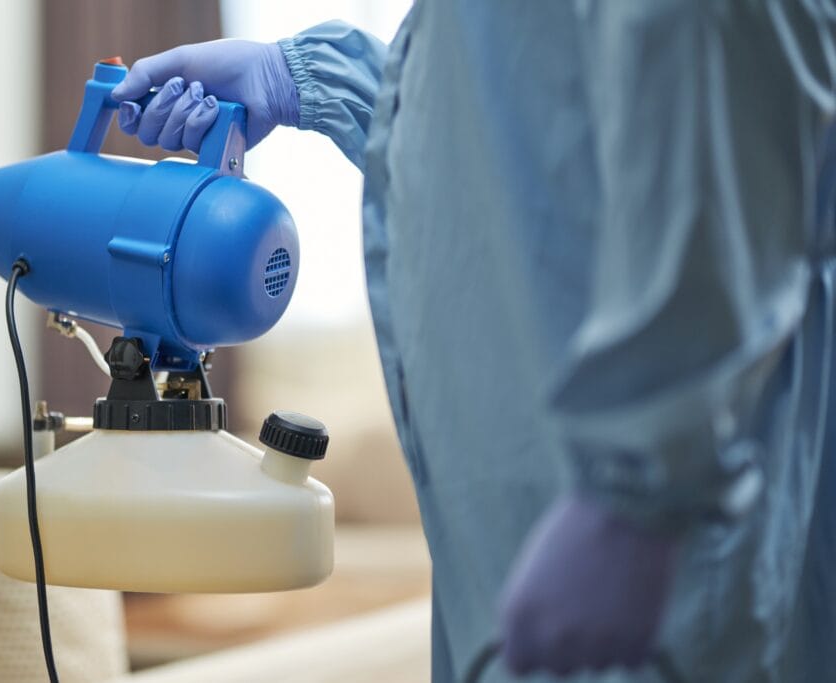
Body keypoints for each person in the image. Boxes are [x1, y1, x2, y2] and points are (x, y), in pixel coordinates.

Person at [112, 3, 836, 681]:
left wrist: (636, 495)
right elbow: (511, 143)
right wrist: (300, 78)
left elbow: (728, 124)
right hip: (529, 518)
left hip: (668, 538)